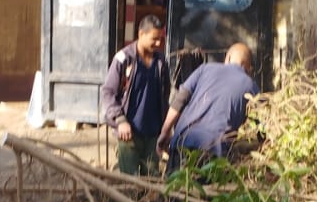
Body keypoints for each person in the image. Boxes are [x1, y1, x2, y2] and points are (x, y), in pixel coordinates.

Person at [156, 42, 257, 169]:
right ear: (247, 66)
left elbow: (179, 100)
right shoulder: (252, 87)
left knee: (175, 186)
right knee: (206, 188)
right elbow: (260, 129)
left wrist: (164, 133)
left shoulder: (205, 69)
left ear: (228, 57)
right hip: (215, 151)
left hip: (182, 142)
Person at [100, 15, 171, 175]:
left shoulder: (161, 62)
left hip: (153, 134)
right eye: (154, 39)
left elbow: (164, 96)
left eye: (161, 39)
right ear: (140, 34)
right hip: (128, 133)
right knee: (129, 181)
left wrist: (166, 129)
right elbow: (107, 92)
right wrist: (120, 120)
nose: (159, 43)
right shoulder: (123, 59)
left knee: (151, 180)